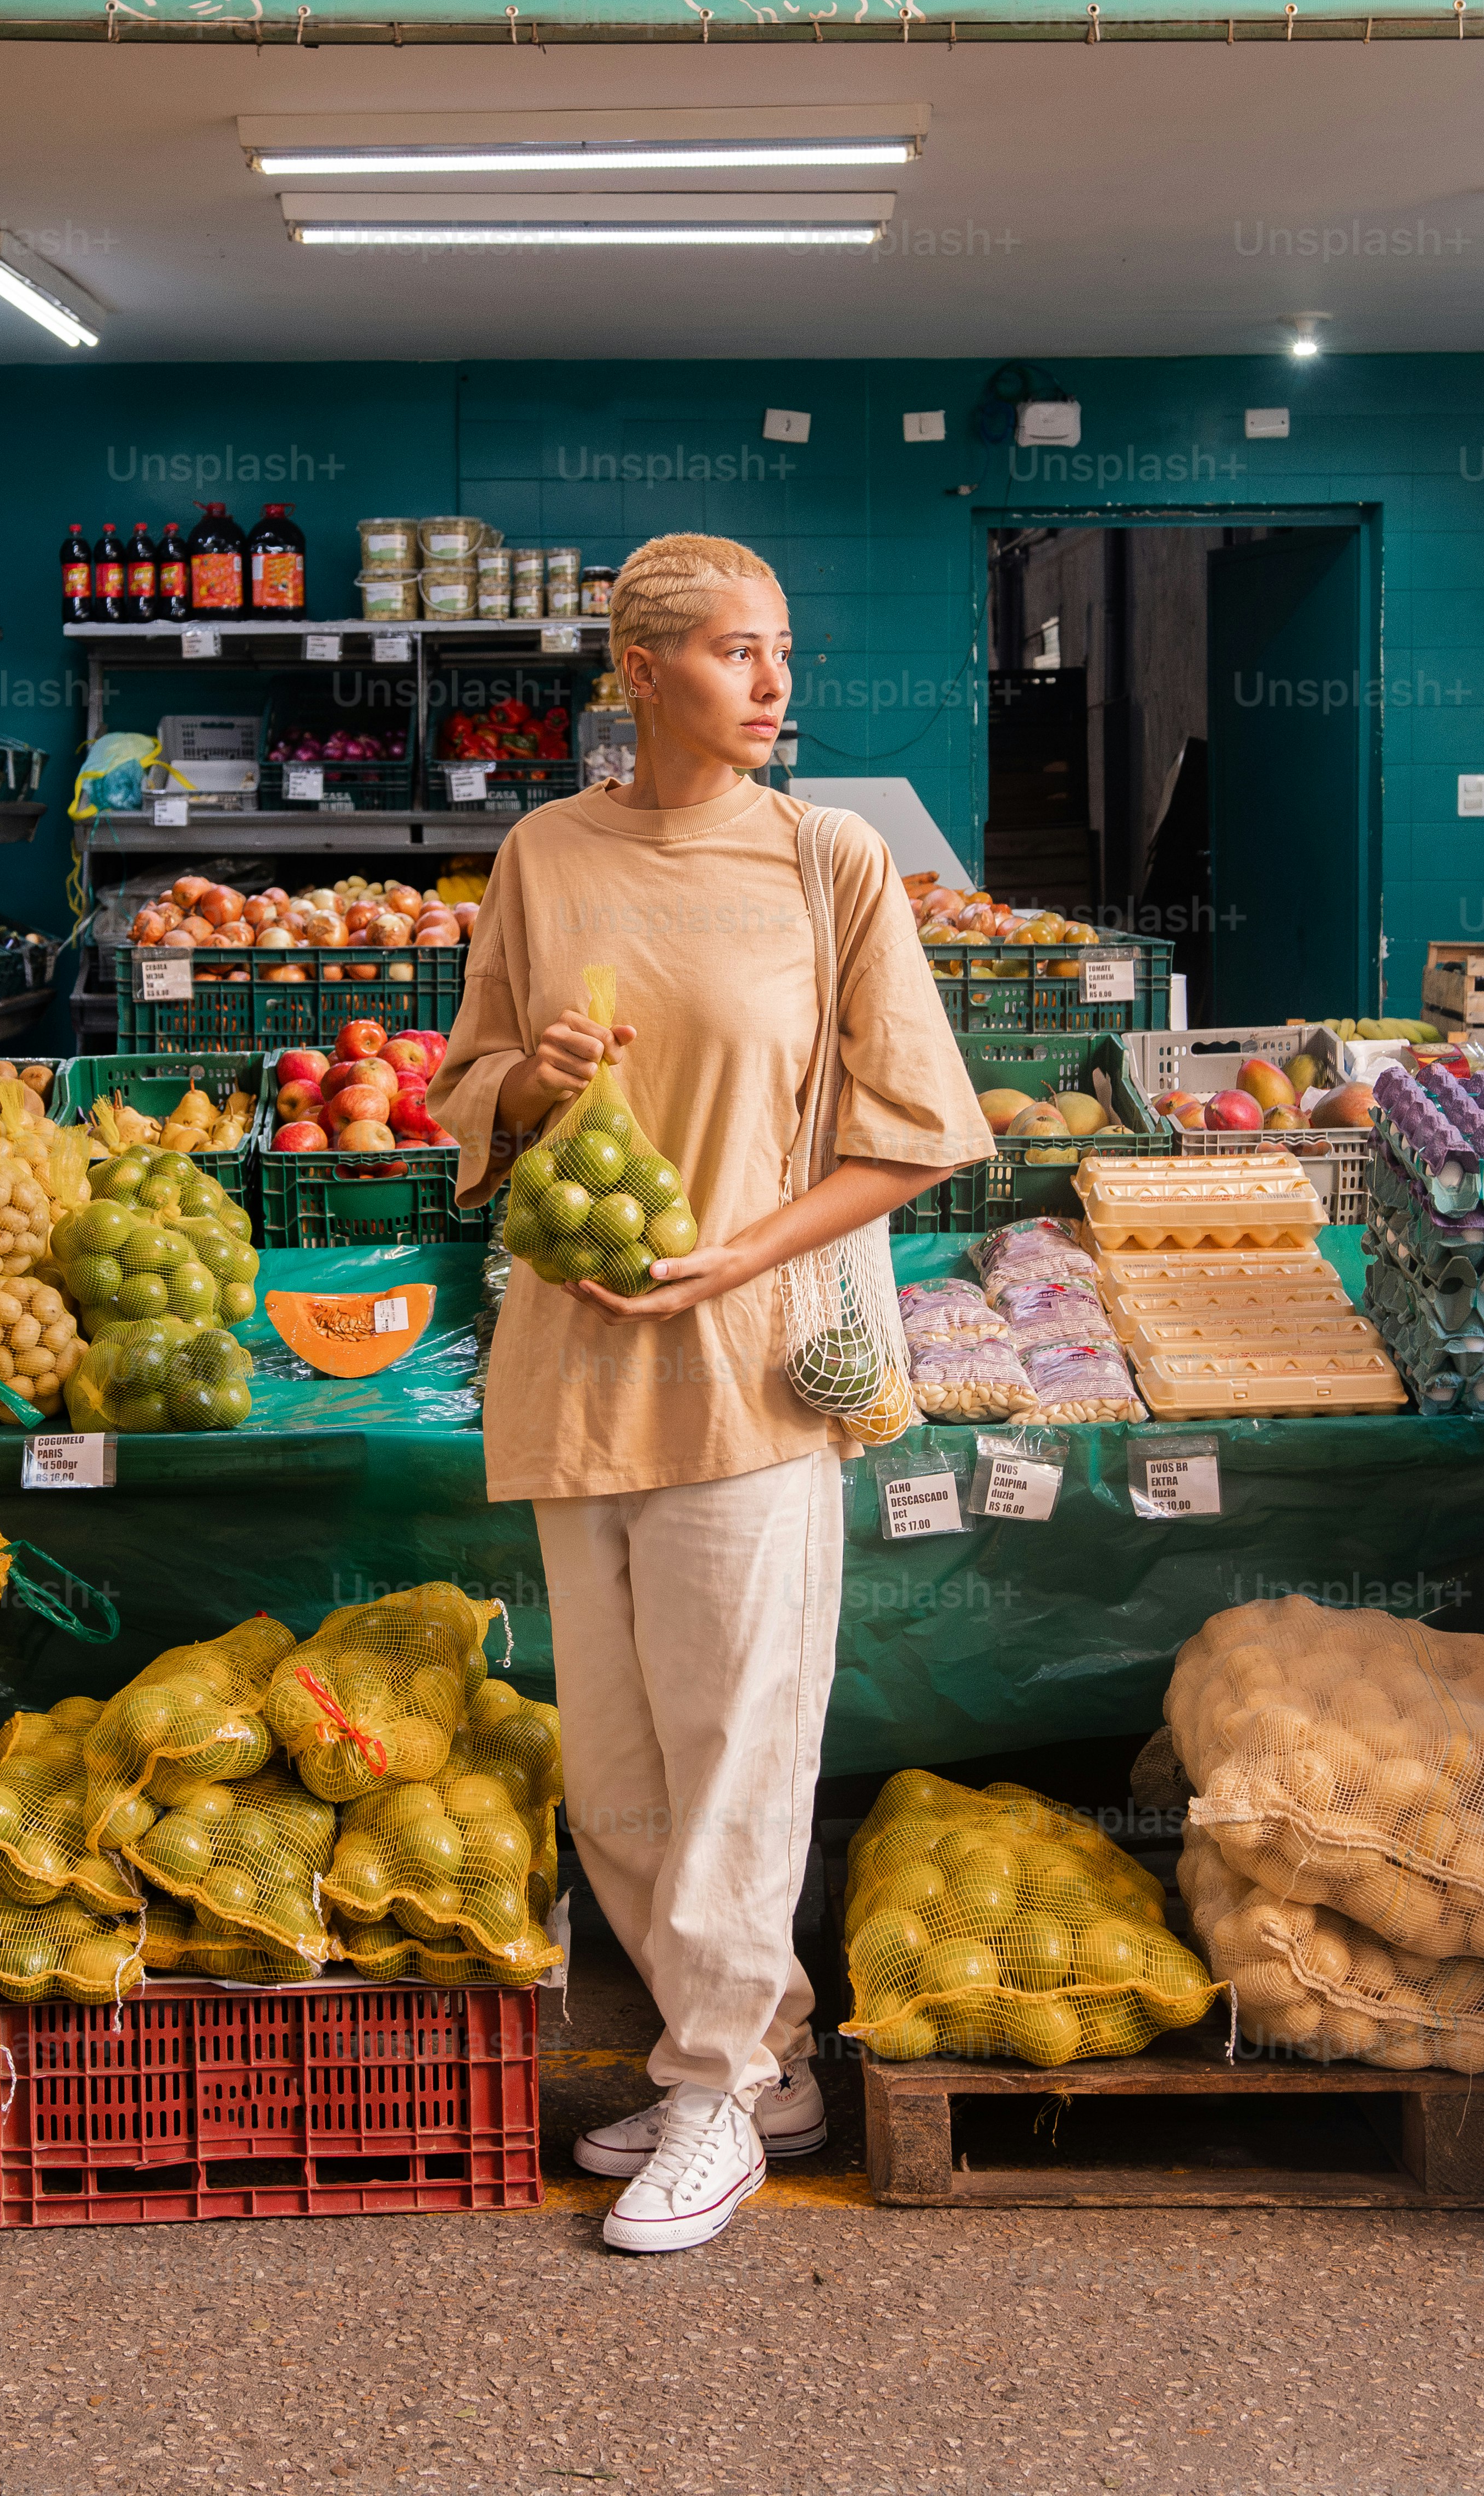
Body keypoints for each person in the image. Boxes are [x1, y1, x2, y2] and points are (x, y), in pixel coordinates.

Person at [427, 533, 992, 2254]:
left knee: (742, 1741)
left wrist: (739, 1260)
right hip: (576, 1354)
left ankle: (718, 2091)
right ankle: (757, 2059)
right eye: (740, 653)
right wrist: (534, 1076)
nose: (776, 684)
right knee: (614, 1762)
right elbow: (466, 1093)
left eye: (784, 651)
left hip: (748, 1367)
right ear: (643, 671)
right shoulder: (544, 851)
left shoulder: (830, 863)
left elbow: (908, 1135)